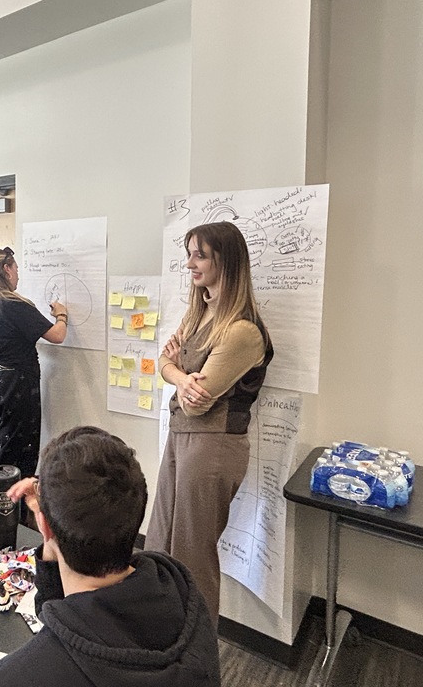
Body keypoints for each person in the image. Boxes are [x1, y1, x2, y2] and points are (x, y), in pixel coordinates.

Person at [0, 426, 221, 687]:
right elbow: (67, 618)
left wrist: (50, 525)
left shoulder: (11, 679)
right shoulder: (187, 598)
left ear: (44, 526)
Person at [145, 221, 273, 622]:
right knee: (160, 541)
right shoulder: (200, 314)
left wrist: (176, 370)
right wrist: (181, 375)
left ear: (226, 261)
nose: (189, 264)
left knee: (192, 555)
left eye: (199, 255)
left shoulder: (242, 331)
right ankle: (163, 638)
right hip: (182, 439)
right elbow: (163, 364)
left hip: (214, 446)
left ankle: (196, 655)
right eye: (189, 254)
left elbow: (199, 406)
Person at [0, 247, 68, 501]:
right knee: (17, 451)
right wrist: (62, 315)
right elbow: (57, 335)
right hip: (17, 385)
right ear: (7, 269)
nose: (18, 275)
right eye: (17, 269)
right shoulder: (13, 305)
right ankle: (6, 509)